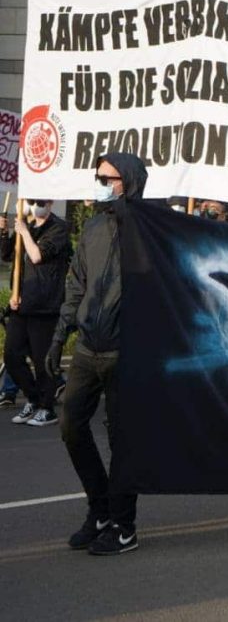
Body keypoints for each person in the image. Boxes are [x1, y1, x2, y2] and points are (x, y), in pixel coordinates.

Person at [47, 153, 147, 555]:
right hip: (89, 348)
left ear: (130, 181)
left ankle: (124, 527)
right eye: (98, 176)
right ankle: (100, 509)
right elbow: (76, 285)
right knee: (71, 425)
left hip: (127, 351)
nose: (101, 182)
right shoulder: (91, 228)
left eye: (109, 177)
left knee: (122, 441)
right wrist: (59, 337)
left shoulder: (147, 229)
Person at [1, 199, 72, 426]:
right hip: (21, 304)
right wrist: (5, 232)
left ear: (50, 203)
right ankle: (32, 397)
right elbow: (7, 255)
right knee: (12, 355)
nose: (34, 205)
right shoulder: (27, 226)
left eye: (39, 202)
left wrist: (23, 232)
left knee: (43, 361)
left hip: (44, 305)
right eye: (31, 201)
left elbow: (37, 255)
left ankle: (47, 407)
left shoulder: (59, 228)